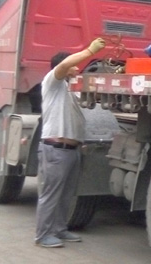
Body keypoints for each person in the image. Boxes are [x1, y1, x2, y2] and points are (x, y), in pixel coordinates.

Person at [34, 37, 105, 248]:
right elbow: (65, 65)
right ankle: (42, 235)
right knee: (51, 194)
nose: (76, 68)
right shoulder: (52, 82)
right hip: (56, 149)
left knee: (66, 194)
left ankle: (59, 229)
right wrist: (89, 51)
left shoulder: (69, 89)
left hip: (71, 149)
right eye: (74, 65)